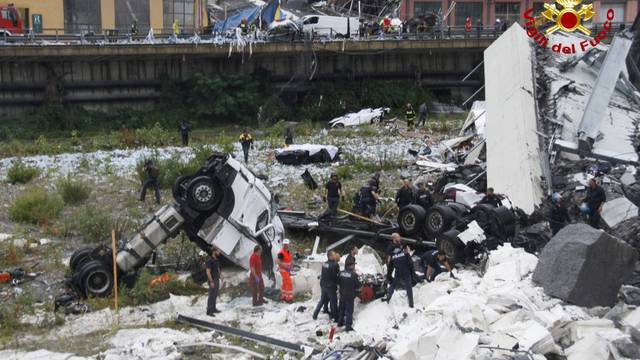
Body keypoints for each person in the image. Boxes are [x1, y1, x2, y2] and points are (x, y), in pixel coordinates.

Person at [384, 233, 414, 308]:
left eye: (399, 237)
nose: (399, 238)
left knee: (408, 286)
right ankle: (388, 298)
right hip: (398, 269)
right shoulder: (390, 248)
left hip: (405, 268)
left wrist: (411, 269)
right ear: (394, 238)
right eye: (398, 237)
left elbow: (408, 255)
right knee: (394, 284)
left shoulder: (403, 244)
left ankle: (411, 304)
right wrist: (388, 275)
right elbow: (389, 261)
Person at [313, 251, 340, 320]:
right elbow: (336, 276)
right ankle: (335, 317)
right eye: (334, 255)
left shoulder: (324, 264)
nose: (335, 256)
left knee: (322, 300)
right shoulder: (335, 265)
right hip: (330, 286)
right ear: (330, 256)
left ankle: (315, 314)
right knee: (333, 301)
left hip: (323, 285)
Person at [337, 257, 361, 331]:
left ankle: (340, 323)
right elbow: (358, 287)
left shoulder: (340, 273)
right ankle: (348, 326)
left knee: (341, 309)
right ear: (351, 265)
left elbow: (338, 282)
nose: (354, 266)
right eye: (354, 264)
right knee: (349, 312)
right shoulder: (354, 275)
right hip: (350, 296)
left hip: (342, 294)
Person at [206, 247, 222, 316]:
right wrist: (211, 281)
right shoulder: (209, 260)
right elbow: (208, 272)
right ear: (214, 252)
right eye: (218, 251)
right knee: (211, 295)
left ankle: (214, 308)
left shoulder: (216, 260)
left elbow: (217, 268)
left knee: (215, 295)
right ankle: (209, 311)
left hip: (217, 279)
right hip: (212, 280)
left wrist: (220, 276)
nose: (219, 252)